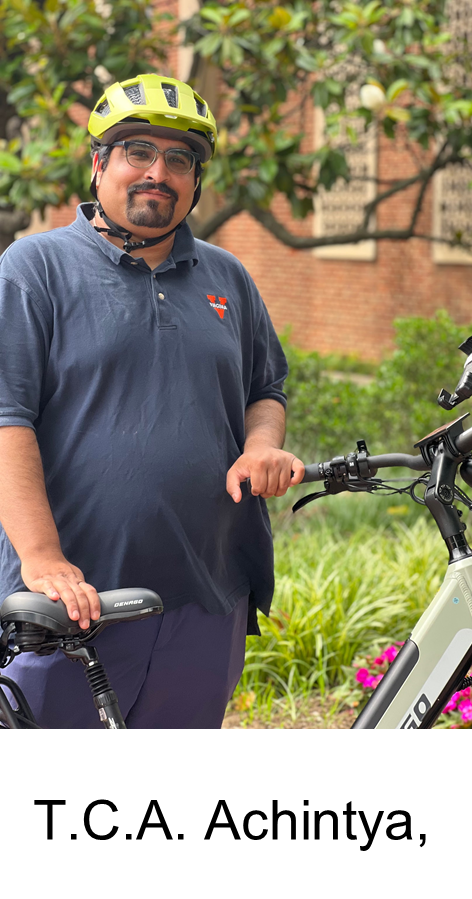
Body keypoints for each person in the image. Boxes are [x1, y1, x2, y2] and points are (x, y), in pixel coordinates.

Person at [0, 73, 304, 728]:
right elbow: (6, 418)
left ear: (194, 179)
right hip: (73, 605)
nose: (157, 172)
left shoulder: (230, 278)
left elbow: (264, 389)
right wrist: (43, 556)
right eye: (139, 152)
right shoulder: (34, 270)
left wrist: (262, 444)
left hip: (206, 598)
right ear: (99, 163)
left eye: (179, 159)